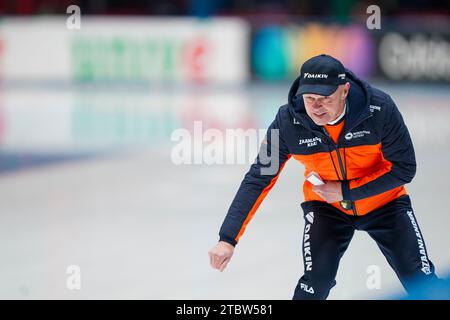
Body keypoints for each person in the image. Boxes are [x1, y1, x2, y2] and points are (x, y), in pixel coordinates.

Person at [208, 54, 440, 299]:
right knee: (316, 283)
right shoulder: (286, 122)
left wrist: (345, 191)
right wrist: (228, 238)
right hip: (327, 207)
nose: (316, 107)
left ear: (345, 91)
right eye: (310, 98)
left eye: (325, 99)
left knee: (420, 280)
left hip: (385, 202)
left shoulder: (380, 110)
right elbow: (259, 177)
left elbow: (404, 168)